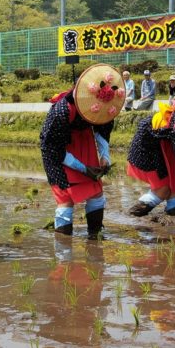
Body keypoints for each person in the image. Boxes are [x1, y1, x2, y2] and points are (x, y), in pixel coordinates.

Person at [40, 64, 125, 236]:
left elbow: (102, 129)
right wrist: (83, 168)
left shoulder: (106, 106)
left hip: (84, 141)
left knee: (96, 192)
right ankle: (64, 253)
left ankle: (95, 237)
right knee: (65, 198)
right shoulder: (61, 111)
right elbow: (54, 149)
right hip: (58, 151)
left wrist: (105, 156)